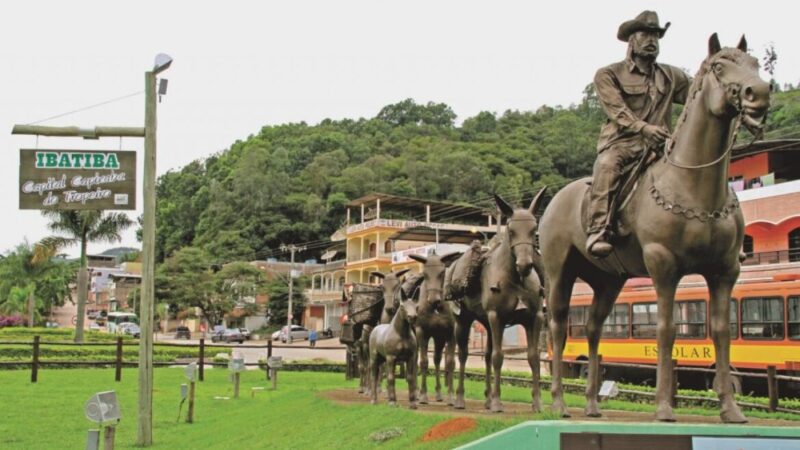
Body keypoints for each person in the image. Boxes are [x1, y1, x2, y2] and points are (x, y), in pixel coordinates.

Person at [586, 10, 690, 258]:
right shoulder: (608, 74)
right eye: (646, 34)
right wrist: (643, 128)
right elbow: (617, 110)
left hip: (663, 146)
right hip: (623, 144)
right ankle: (598, 228)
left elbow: (698, 96)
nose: (652, 40)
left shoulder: (672, 75)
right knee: (607, 165)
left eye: (656, 35)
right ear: (631, 40)